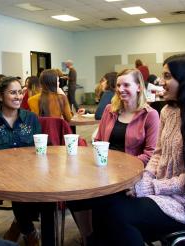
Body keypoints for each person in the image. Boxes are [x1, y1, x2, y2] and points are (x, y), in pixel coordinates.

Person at [91, 54, 185, 245]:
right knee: (103, 202)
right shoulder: (169, 111)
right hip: (166, 194)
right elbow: (158, 155)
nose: (160, 81)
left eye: (167, 76)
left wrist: (149, 187)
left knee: (119, 214)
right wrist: (146, 180)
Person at [69, 69, 159, 245]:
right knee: (75, 195)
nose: (121, 89)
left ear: (139, 87)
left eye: (126, 85)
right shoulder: (111, 110)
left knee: (103, 201)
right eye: (118, 85)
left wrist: (122, 166)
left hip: (130, 177)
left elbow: (151, 153)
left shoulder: (150, 115)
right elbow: (99, 140)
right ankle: (89, 237)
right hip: (104, 171)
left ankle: (100, 238)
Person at [0, 76, 55, 246]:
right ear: (1, 96)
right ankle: (29, 231)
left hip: (30, 171)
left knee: (48, 196)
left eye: (20, 92)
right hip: (1, 174)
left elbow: (40, 148)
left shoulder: (31, 118)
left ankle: (22, 226)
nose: (18, 96)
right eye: (12, 93)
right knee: (19, 189)